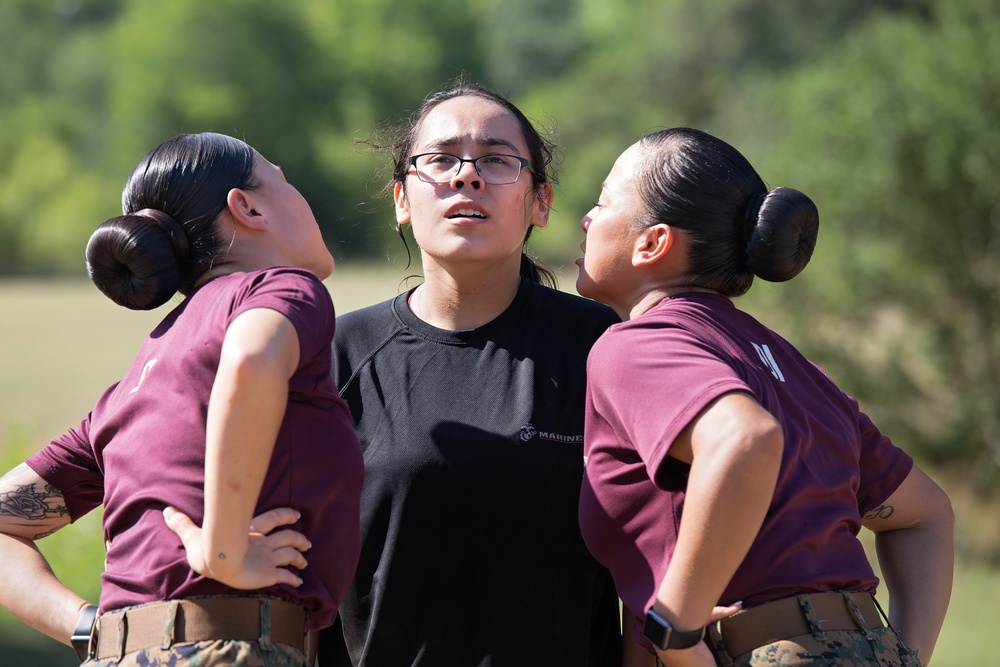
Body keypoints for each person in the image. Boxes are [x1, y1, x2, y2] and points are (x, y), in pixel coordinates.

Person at [575, 127, 954, 667]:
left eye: (603, 201)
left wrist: (673, 627)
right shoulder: (788, 363)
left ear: (652, 243)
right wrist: (905, 656)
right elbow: (925, 514)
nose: (586, 218)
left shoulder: (637, 346)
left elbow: (745, 440)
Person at [0, 132, 364, 666]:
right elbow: (251, 359)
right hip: (230, 648)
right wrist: (224, 552)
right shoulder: (280, 288)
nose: (298, 193)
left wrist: (94, 632)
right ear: (248, 206)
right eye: (284, 180)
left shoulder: (129, 389)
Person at [316, 83, 625, 666]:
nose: (467, 176)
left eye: (496, 160)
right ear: (402, 201)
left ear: (541, 202)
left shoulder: (601, 345)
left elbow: (651, 548)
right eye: (440, 159)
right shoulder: (336, 351)